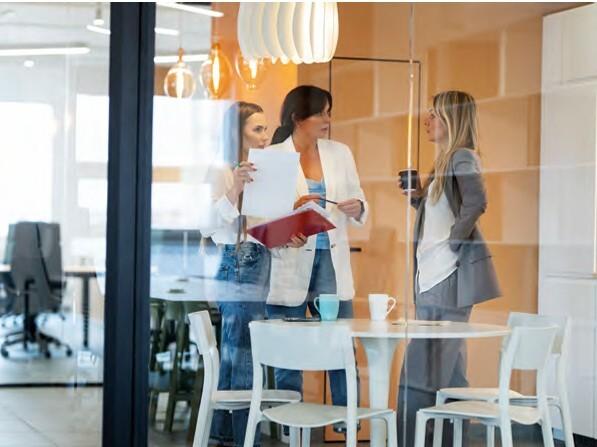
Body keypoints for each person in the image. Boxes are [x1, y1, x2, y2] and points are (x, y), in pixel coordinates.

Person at [397, 90, 501, 446]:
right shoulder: (445, 161)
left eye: (434, 114)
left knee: (419, 373)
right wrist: (418, 198)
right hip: (433, 277)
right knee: (451, 374)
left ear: (452, 120)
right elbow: (443, 214)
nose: (426, 121)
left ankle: (410, 441)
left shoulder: (461, 156)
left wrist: (454, 243)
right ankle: (451, 440)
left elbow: (477, 201)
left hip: (446, 277)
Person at [265, 85, 368, 433]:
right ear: (298, 118)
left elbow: (359, 200)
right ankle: (289, 427)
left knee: (341, 346)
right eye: (321, 113)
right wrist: (288, 224)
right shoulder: (273, 157)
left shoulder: (340, 153)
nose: (328, 119)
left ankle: (346, 423)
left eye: (328, 112)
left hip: (331, 263)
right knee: (288, 349)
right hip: (290, 262)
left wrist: (358, 207)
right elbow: (262, 220)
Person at [201, 101, 280, 447]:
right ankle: (245, 439)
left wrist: (287, 231)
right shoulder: (220, 169)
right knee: (244, 352)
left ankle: (225, 435)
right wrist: (235, 187)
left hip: (260, 256)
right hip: (236, 260)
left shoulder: (265, 171)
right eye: (257, 129)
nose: (265, 137)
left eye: (266, 129)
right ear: (238, 133)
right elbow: (205, 225)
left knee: (237, 352)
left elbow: (263, 225)